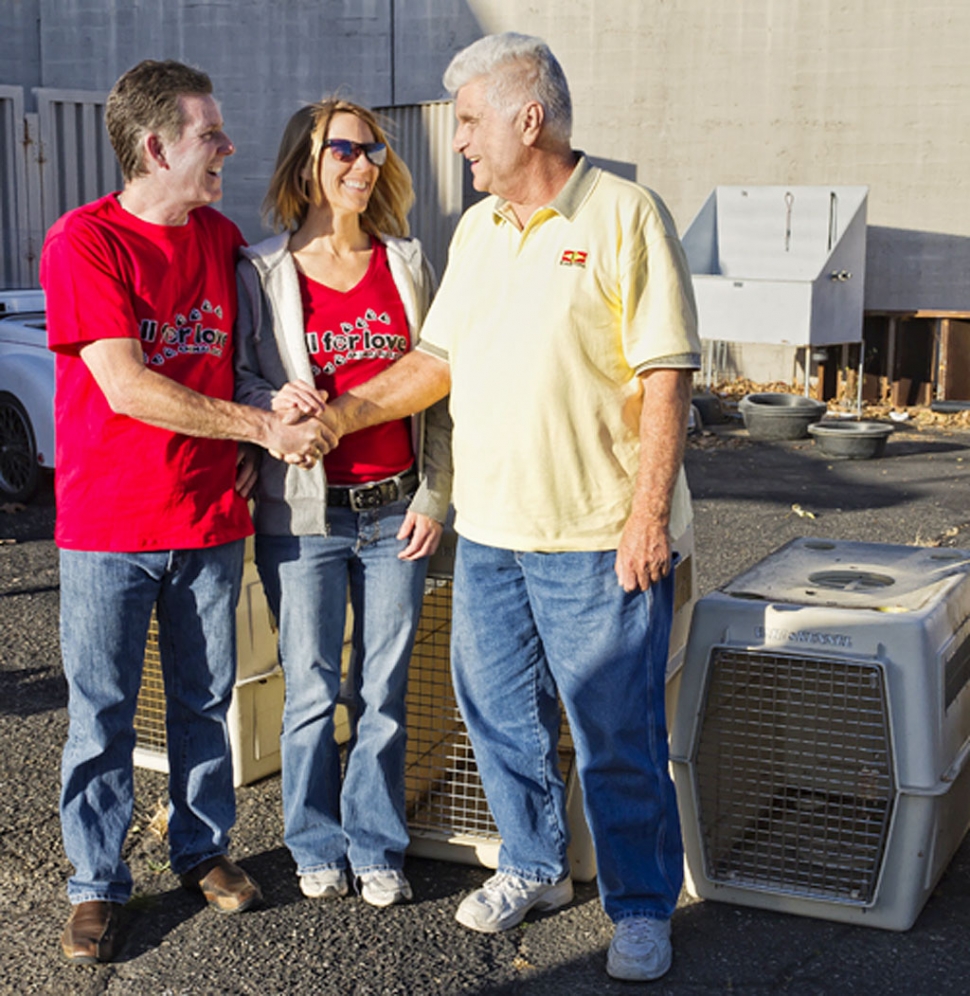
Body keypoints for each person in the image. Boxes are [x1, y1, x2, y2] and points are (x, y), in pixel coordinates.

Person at [322, 32, 701, 982]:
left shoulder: (624, 215)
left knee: (617, 737)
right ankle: (534, 866)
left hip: (594, 538)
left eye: (468, 120)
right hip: (492, 534)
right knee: (497, 718)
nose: (458, 142)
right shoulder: (479, 233)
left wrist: (646, 517)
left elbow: (665, 376)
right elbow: (436, 365)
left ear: (529, 118)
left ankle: (642, 906)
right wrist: (335, 418)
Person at [41, 59, 334, 965]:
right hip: (108, 528)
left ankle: (201, 850)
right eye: (211, 136)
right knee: (103, 713)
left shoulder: (218, 239)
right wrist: (261, 429)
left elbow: (236, 362)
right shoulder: (83, 242)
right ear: (155, 145)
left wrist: (251, 443)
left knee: (206, 704)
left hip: (210, 521)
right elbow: (127, 387)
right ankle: (96, 886)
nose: (228, 149)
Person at [233, 100, 451, 907]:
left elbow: (439, 386)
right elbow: (239, 384)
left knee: (384, 691)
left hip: (397, 510)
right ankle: (314, 841)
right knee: (312, 688)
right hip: (306, 519)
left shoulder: (408, 262)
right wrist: (271, 397)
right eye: (344, 150)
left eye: (374, 150)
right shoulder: (262, 271)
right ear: (307, 165)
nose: (363, 164)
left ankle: (375, 842)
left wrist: (437, 492)